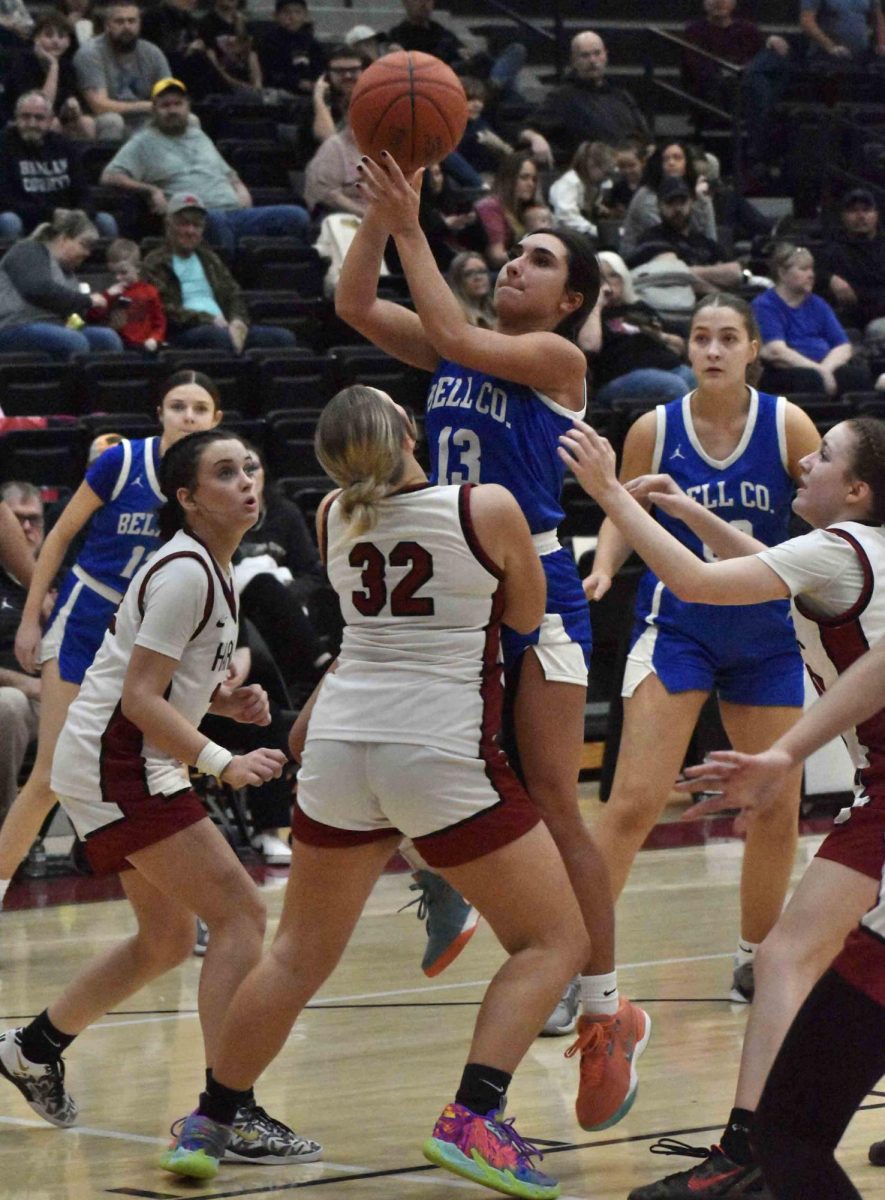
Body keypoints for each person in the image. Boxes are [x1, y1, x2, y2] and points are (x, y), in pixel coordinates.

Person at [160, 385, 586, 1196]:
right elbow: (527, 612)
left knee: (294, 955)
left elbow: (362, 634)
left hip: (341, 747)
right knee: (552, 942)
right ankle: (475, 1121)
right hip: (437, 747)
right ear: (407, 431)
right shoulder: (483, 504)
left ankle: (211, 1122)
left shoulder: (330, 516)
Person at [335, 153, 649, 1129]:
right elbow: (353, 304)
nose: (516, 265)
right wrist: (380, 223)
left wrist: (412, 224)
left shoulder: (557, 365)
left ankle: (604, 1013)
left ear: (573, 300)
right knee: (421, 760)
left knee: (554, 798)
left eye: (541, 261)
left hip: (538, 588)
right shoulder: (457, 350)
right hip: (460, 597)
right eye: (517, 254)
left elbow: (447, 326)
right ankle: (443, 880)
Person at [558, 410, 885, 1199]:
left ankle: (751, 1150)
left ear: (855, 489)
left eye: (826, 455)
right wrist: (689, 510)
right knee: (792, 957)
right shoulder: (849, 552)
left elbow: (699, 583)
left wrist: (609, 493)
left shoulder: (840, 551)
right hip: (878, 785)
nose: (805, 459)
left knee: (787, 957)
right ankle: (755, 1145)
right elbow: (767, 568)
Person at [0, 429, 322, 1167]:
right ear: (186, 498)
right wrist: (222, 760)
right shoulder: (185, 571)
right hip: (119, 765)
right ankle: (227, 1108)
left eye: (249, 466)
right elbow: (140, 699)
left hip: (117, 758)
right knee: (240, 914)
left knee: (169, 939)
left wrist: (222, 702)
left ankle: (31, 1049)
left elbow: (152, 683)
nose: (246, 480)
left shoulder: (212, 566)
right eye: (223, 472)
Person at [582, 292, 820, 1007]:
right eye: (699, 338)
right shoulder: (655, 428)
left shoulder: (787, 424)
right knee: (632, 804)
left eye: (726, 339)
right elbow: (623, 509)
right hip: (678, 625)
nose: (711, 350)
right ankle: (578, 968)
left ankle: (753, 958)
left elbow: (824, 506)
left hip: (769, 637)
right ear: (686, 350)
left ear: (752, 348)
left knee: (776, 805)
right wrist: (601, 563)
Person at [0, 372, 221, 911]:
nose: (187, 416)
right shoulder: (121, 463)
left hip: (147, 635)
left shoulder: (210, 482)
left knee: (155, 773)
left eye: (199, 408)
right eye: (177, 405)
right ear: (160, 413)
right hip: (85, 619)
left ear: (216, 419)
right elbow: (58, 539)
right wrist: (32, 619)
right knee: (50, 774)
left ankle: (182, 909)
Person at [677, 635, 885, 1198]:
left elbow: (705, 583)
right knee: (789, 1134)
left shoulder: (838, 550)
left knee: (788, 1135)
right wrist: (783, 755)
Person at [101, 76, 310, 258]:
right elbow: (109, 176)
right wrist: (151, 190)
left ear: (187, 106)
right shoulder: (143, 142)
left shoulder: (198, 135)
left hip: (236, 213)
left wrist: (239, 187)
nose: (172, 110)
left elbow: (228, 172)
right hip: (195, 219)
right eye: (165, 105)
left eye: (177, 104)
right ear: (154, 109)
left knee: (296, 216)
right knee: (215, 221)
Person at [142, 193, 296, 351]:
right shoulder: (155, 261)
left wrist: (238, 320)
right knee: (219, 338)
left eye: (197, 225)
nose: (190, 231)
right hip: (183, 332)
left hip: (225, 327)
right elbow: (161, 308)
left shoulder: (209, 258)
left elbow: (233, 293)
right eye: (184, 224)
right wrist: (207, 319)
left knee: (283, 338)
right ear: (168, 225)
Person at [753, 240, 874, 397]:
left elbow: (843, 346)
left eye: (811, 269)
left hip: (823, 366)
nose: (811, 275)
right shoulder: (765, 304)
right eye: (803, 269)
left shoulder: (818, 303)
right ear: (782, 273)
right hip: (785, 370)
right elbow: (775, 351)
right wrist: (819, 371)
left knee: (857, 377)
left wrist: (826, 369)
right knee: (811, 381)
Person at [0, 209, 122, 360]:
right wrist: (87, 300)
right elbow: (38, 289)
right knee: (72, 340)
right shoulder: (28, 250)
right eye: (84, 245)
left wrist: (104, 318)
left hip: (56, 329)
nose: (88, 253)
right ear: (64, 239)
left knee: (107, 338)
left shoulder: (69, 273)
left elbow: (73, 318)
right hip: (13, 326)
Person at [578, 250, 695, 404]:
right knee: (674, 386)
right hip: (619, 377)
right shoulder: (589, 312)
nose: (607, 282)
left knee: (696, 379)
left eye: (613, 275)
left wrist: (660, 336)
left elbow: (681, 346)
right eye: (601, 277)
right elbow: (589, 346)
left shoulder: (639, 308)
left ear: (624, 278)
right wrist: (597, 302)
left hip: (668, 367)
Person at [0, 91, 116, 241]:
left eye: (39, 118)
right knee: (8, 220)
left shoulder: (64, 146)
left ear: (50, 121)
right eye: (25, 116)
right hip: (26, 219)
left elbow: (82, 191)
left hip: (66, 221)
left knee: (105, 221)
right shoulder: (4, 145)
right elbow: (5, 201)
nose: (32, 123)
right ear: (16, 117)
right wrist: (51, 214)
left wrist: (82, 212)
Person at [525, 30, 652, 166]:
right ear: (574, 61)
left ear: (605, 56)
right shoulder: (562, 97)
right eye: (585, 55)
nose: (592, 61)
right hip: (593, 173)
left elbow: (647, 139)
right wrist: (535, 138)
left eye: (597, 53)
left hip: (632, 170)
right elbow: (525, 128)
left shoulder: (621, 95)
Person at [0, 483, 45, 825]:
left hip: (57, 693)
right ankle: (6, 830)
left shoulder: (65, 577)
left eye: (35, 521)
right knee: (8, 705)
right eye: (18, 520)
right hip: (13, 697)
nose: (27, 529)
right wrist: (23, 683)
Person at [73, 0, 171, 142]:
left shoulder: (153, 53)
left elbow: (168, 95)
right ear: (107, 25)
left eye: (132, 21)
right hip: (103, 119)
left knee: (190, 120)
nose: (127, 27)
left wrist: (157, 107)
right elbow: (99, 105)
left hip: (145, 117)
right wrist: (146, 106)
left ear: (139, 24)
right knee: (112, 121)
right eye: (119, 22)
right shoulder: (90, 53)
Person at [1, 12, 96, 138]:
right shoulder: (23, 63)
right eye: (49, 35)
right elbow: (40, 106)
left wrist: (74, 110)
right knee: (53, 124)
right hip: (22, 120)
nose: (56, 41)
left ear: (68, 42)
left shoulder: (68, 67)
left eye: (61, 36)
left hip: (55, 117)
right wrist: (53, 67)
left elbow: (70, 103)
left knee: (87, 122)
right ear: (36, 39)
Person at [619, 141, 717, 263]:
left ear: (687, 164)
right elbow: (670, 236)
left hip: (686, 258)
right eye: (666, 159)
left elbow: (710, 238)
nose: (671, 163)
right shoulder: (646, 195)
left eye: (677, 158)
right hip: (645, 258)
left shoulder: (697, 193)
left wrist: (702, 202)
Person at [817, 187, 885, 340]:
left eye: (867, 210)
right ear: (843, 216)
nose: (860, 216)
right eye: (853, 211)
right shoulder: (832, 250)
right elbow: (810, 272)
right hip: (849, 320)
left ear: (876, 215)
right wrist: (830, 278)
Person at [93, 237, 166, 351]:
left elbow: (159, 322)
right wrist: (107, 296)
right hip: (119, 345)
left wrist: (155, 338)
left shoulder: (150, 292)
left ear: (137, 268)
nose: (118, 278)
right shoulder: (111, 292)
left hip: (145, 344)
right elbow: (94, 316)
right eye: (113, 273)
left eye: (123, 272)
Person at [474, 151, 543, 269]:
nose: (531, 184)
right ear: (509, 178)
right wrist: (532, 255)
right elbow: (496, 256)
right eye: (524, 177)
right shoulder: (491, 206)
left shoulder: (525, 209)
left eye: (534, 179)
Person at [549, 141, 615, 239]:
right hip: (562, 236)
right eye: (606, 173)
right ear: (592, 165)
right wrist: (596, 231)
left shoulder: (593, 186)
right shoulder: (569, 182)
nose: (607, 179)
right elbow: (567, 217)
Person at [258, 0, 325, 97]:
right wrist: (297, 83)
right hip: (279, 91)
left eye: (298, 12)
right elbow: (270, 72)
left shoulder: (311, 42)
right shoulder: (269, 41)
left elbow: (321, 67)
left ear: (305, 15)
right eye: (286, 12)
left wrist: (316, 83)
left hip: (311, 91)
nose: (292, 17)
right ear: (276, 15)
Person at [198, 0, 262, 95]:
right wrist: (237, 84)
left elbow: (253, 57)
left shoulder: (246, 23)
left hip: (248, 87)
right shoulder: (206, 23)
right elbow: (212, 63)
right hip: (221, 87)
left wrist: (258, 85)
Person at [799, 0, 885, 63]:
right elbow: (807, 21)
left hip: (861, 59)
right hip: (825, 59)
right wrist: (830, 47)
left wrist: (881, 43)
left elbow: (878, 19)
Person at [446, 251, 494, 329]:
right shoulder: (455, 315)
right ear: (457, 280)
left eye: (482, 271)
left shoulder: (495, 310)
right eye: (469, 273)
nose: (478, 277)